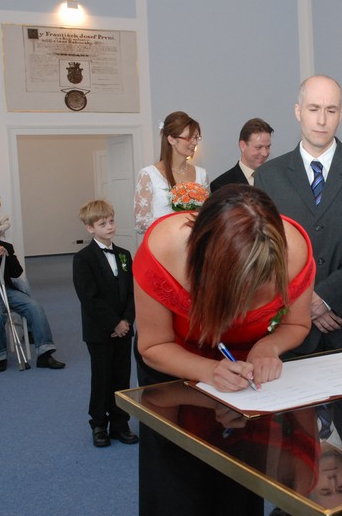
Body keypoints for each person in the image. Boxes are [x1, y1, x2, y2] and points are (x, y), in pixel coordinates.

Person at [133, 184, 315, 515]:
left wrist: (268, 346)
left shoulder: (296, 250)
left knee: (240, 479)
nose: (243, 308)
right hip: (174, 370)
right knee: (177, 485)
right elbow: (153, 345)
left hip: (245, 377)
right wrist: (208, 370)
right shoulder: (163, 249)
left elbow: (297, 324)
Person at [255, 75, 342, 353]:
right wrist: (306, 304)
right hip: (291, 325)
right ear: (298, 112)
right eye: (314, 109)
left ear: (341, 114)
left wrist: (326, 298)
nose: (322, 120)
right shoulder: (269, 176)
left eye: (331, 110)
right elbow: (268, 252)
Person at [0, 213, 65, 372]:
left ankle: (45, 353)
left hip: (6, 289)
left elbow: (17, 273)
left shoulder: (6, 246)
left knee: (35, 307)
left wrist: (8, 256)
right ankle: (1, 355)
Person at [73, 200, 137, 448]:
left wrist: (126, 321)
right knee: (102, 376)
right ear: (90, 228)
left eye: (111, 221)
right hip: (99, 330)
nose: (109, 226)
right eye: (102, 224)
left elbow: (131, 292)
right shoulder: (83, 258)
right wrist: (113, 323)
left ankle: (120, 423)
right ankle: (98, 423)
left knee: (122, 376)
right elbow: (88, 298)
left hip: (124, 329)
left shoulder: (124, 255)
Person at [134, 111, 209, 234]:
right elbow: (140, 224)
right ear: (171, 139)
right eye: (189, 137)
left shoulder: (202, 174)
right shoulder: (149, 174)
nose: (195, 143)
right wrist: (178, 221)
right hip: (163, 242)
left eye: (197, 137)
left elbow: (207, 215)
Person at [209, 117, 273, 191]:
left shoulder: (275, 178)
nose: (265, 153)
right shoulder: (222, 185)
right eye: (258, 147)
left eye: (267, 147)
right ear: (242, 146)